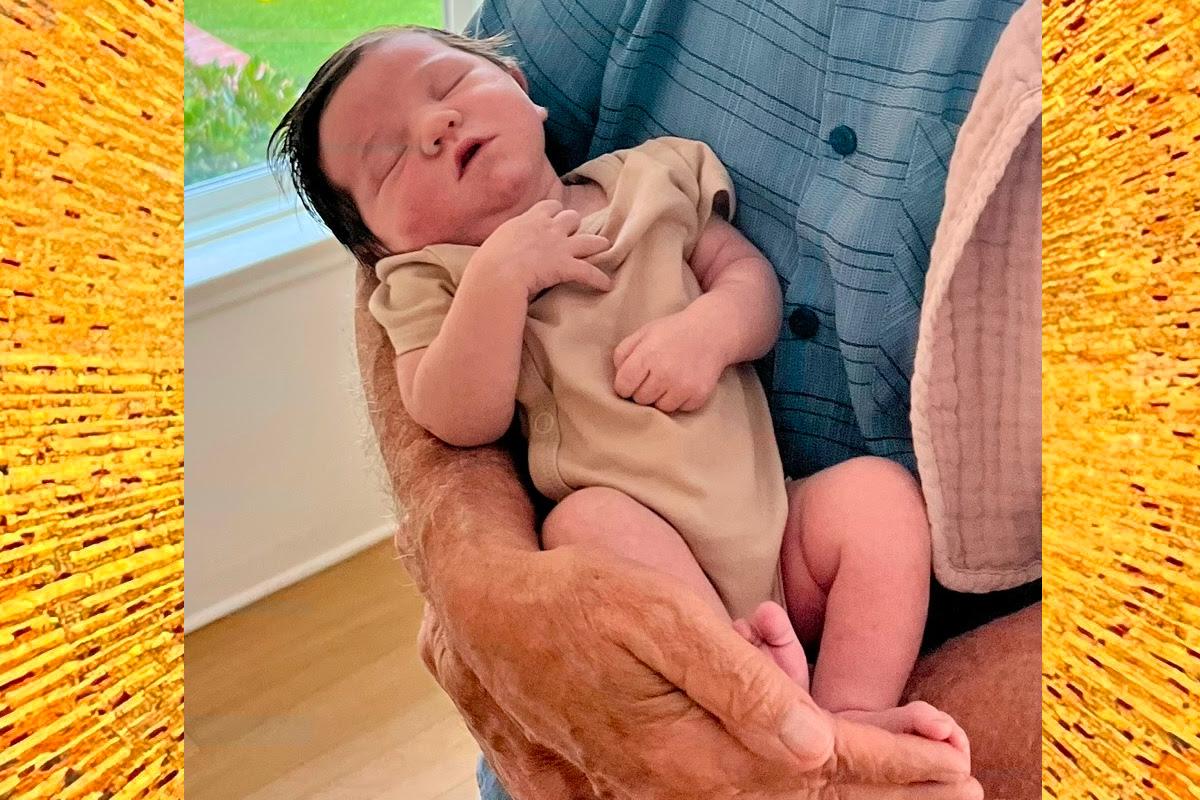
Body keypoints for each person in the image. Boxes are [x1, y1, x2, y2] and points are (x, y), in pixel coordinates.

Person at [279, 21, 971, 753]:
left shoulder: (653, 178)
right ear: (378, 245)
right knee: (584, 527)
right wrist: (499, 279)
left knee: (879, 500)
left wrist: (711, 331)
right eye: (388, 158)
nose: (434, 126)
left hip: (778, 532)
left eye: (449, 85)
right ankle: (757, 705)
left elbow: (747, 281)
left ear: (520, 89)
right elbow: (454, 415)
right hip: (647, 557)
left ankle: (850, 715)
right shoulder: (432, 278)